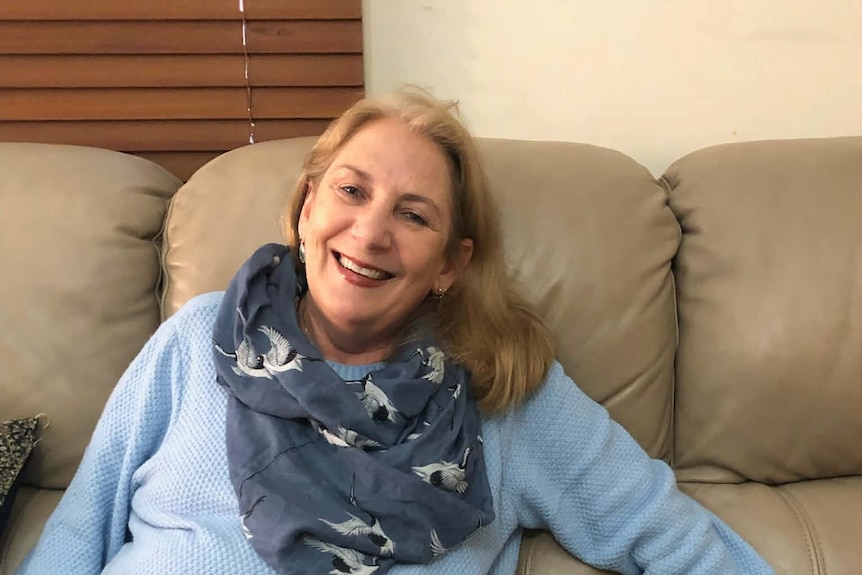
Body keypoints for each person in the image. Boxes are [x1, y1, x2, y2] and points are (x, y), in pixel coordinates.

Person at [17, 89, 775, 575]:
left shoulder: (501, 394)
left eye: (414, 215)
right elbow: (76, 534)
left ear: (450, 263)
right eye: (351, 191)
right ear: (308, 207)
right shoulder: (194, 343)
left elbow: (671, 535)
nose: (370, 231)